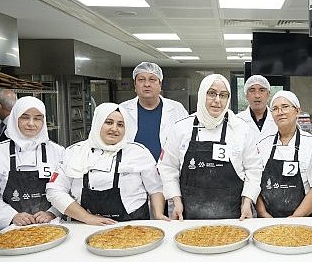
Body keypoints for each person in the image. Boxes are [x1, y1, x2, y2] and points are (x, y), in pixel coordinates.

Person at [158, 74, 262, 220]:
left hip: (234, 216)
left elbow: (254, 169)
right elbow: (168, 167)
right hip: (189, 216)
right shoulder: (181, 128)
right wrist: (176, 201)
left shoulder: (240, 129)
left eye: (223, 95)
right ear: (202, 94)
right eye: (211, 93)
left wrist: (247, 201)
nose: (217, 100)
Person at [46, 103, 166, 225]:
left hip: (133, 225)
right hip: (84, 226)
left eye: (120, 125)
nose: (114, 129)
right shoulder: (74, 152)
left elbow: (155, 189)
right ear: (98, 123)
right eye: (108, 122)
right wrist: (87, 218)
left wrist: (159, 215)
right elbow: (54, 191)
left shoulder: (139, 153)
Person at [0, 96, 64, 230]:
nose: (31, 123)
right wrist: (12, 216)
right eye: (25, 117)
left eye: (37, 118)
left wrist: (52, 212)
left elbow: (66, 190)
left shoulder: (58, 152)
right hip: (12, 229)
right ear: (14, 118)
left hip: (53, 227)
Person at [255, 91, 312, 217]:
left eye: (285, 107)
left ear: (297, 111)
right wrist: (263, 213)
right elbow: (254, 182)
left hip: (305, 219)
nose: (280, 112)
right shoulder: (262, 145)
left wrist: (295, 218)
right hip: (269, 220)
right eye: (275, 108)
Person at [119, 62, 188, 162]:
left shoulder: (177, 109)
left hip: (167, 171)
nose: (147, 84)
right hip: (131, 172)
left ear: (160, 84)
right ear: (135, 84)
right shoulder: (122, 110)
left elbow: (187, 139)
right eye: (141, 80)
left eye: (152, 80)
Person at [236, 75, 278, 141]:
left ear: (268, 94)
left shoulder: (278, 118)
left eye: (262, 90)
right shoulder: (237, 121)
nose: (257, 95)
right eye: (252, 90)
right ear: (246, 95)